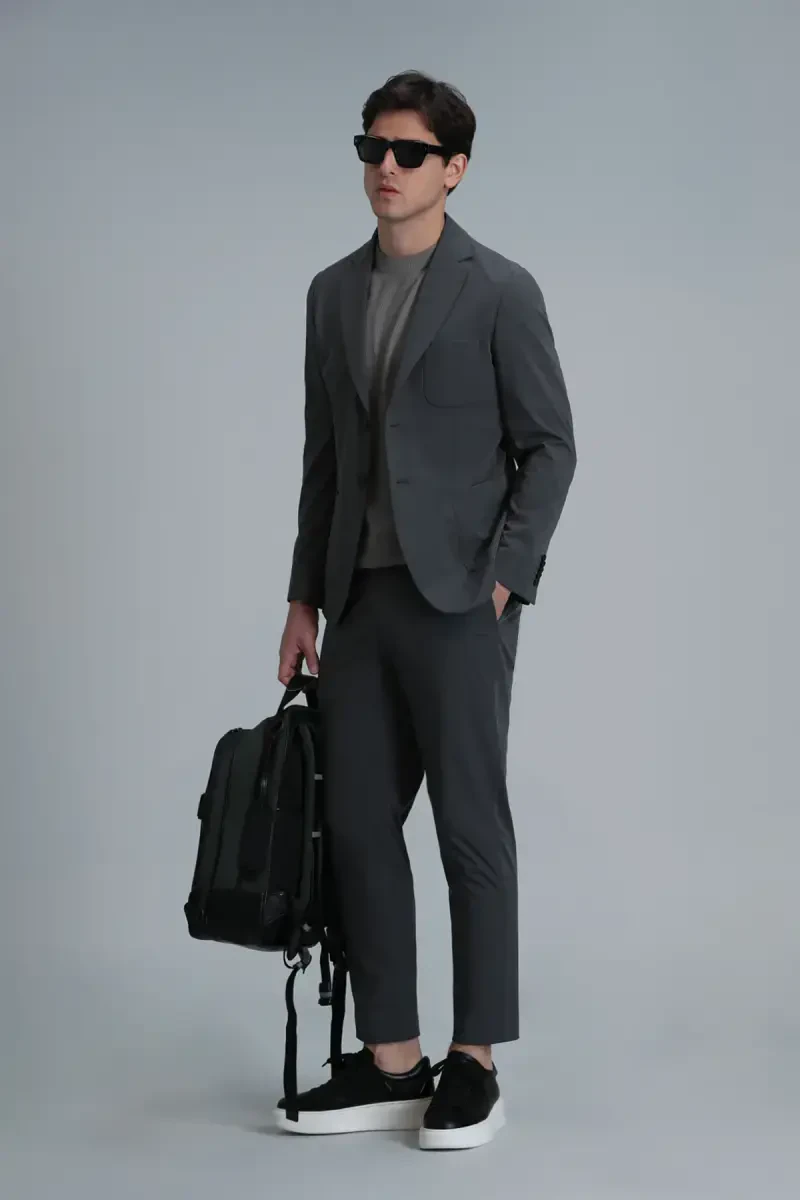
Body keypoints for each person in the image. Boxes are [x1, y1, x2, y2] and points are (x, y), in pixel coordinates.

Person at [275, 70, 576, 1150]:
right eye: (372, 148)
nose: (385, 168)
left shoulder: (499, 290)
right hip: (357, 602)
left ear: (454, 168)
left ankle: (474, 1059)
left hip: (459, 603)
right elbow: (323, 460)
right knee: (357, 824)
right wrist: (302, 598)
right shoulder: (330, 293)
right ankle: (392, 1057)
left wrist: (503, 580)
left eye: (408, 152)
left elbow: (549, 446)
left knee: (467, 827)